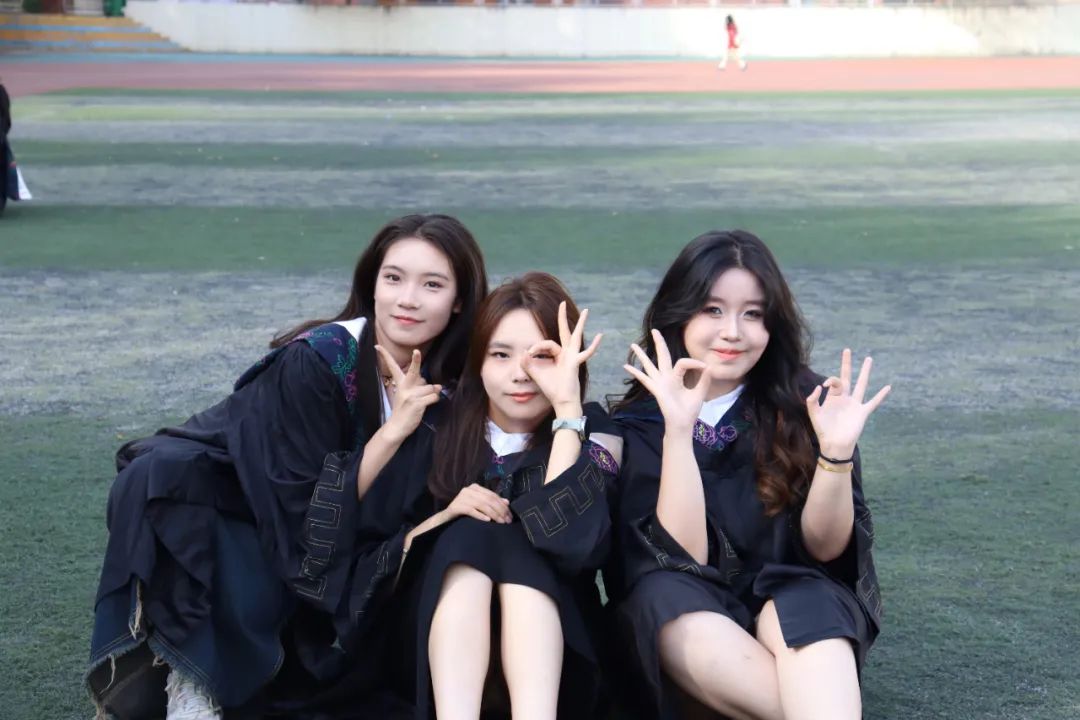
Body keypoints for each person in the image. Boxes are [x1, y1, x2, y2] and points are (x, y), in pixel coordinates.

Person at [86, 214, 489, 720]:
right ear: (372, 284)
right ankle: (193, 678)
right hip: (246, 496)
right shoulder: (321, 359)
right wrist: (394, 432)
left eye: (432, 284)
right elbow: (302, 509)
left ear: (458, 300)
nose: (407, 299)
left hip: (332, 530)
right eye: (393, 278)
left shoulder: (459, 377)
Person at [607, 230, 889, 720]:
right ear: (679, 313)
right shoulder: (636, 423)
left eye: (753, 314)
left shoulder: (812, 403)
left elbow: (826, 551)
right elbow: (683, 559)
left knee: (809, 598)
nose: (733, 332)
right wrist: (678, 432)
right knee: (663, 599)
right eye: (712, 310)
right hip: (686, 619)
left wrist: (836, 453)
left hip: (796, 602)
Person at [315, 273, 622, 720]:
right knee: (470, 532)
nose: (520, 374)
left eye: (542, 356)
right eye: (501, 355)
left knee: (517, 534)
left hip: (560, 656)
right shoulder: (435, 421)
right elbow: (369, 563)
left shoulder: (595, 431)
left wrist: (567, 413)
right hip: (428, 651)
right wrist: (445, 519)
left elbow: (568, 543)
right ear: (478, 361)